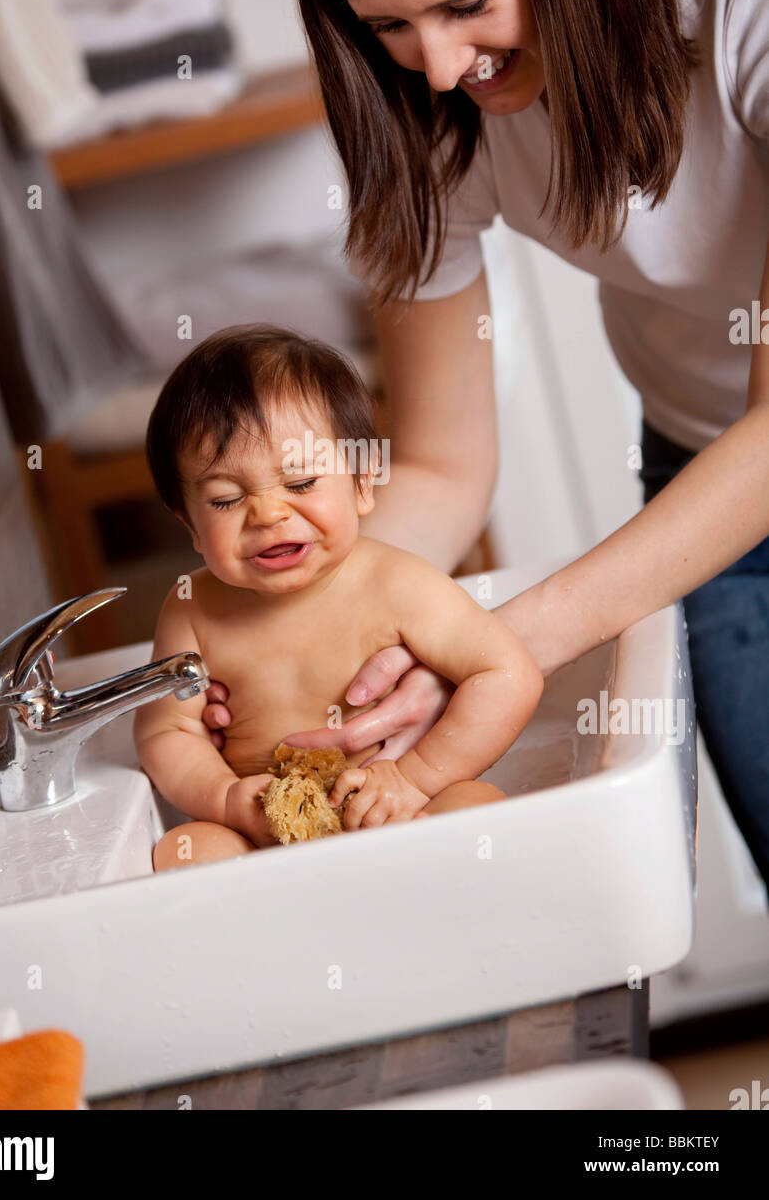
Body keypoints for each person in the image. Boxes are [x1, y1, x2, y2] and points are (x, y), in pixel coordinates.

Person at [199, 0, 769, 894]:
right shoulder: (419, 106)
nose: (439, 66)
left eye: (468, 6)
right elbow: (441, 466)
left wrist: (495, 645)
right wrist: (317, 633)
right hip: (700, 474)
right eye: (389, 26)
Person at [135, 325, 541, 869]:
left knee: (478, 810)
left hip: (397, 811)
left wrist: (414, 778)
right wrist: (226, 799)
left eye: (301, 484)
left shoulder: (398, 584)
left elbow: (508, 673)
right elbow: (166, 730)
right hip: (264, 838)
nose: (269, 514)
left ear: (363, 484)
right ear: (189, 523)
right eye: (227, 500)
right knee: (186, 853)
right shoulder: (191, 610)